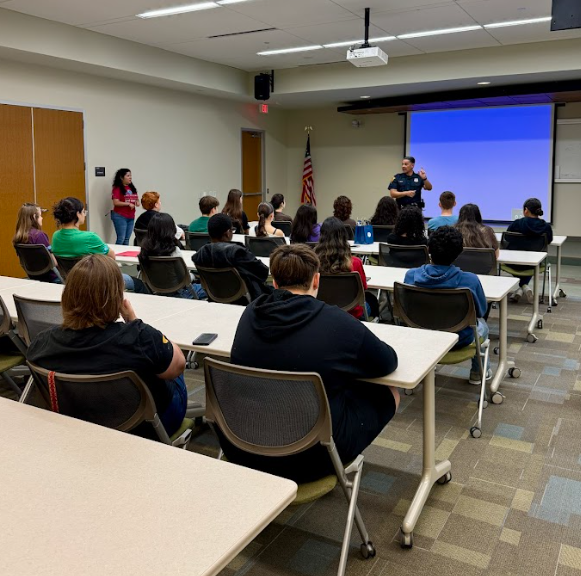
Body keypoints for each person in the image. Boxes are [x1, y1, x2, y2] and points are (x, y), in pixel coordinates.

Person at [224, 244, 399, 483]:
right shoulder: (336, 321)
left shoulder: (251, 313)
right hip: (313, 457)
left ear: (274, 282)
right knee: (389, 391)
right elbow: (386, 362)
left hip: (243, 443)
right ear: (316, 280)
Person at [26, 254, 188, 438]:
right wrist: (134, 322)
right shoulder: (139, 337)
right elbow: (178, 366)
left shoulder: (42, 343)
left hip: (76, 425)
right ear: (117, 298)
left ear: (69, 295)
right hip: (144, 429)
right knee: (170, 363)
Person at [404, 226, 490, 385]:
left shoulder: (411, 276)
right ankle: (478, 373)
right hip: (459, 339)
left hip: (422, 336)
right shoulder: (470, 281)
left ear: (428, 249)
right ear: (459, 252)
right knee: (483, 325)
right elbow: (481, 311)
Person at [51, 197, 148, 294]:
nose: (84, 215)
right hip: (95, 282)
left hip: (71, 282)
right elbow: (111, 257)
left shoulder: (56, 236)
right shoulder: (90, 237)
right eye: (84, 212)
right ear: (77, 214)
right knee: (140, 285)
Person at [192, 213, 271, 302]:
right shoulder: (237, 253)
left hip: (215, 299)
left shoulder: (200, 255)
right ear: (227, 233)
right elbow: (263, 272)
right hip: (245, 299)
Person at [139, 212, 206, 300]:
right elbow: (185, 279)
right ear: (171, 229)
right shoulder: (174, 251)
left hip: (157, 291)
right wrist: (193, 275)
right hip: (180, 293)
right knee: (210, 287)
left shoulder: (145, 251)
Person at [315, 217, 369, 319]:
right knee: (373, 302)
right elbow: (363, 290)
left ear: (321, 237)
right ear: (344, 238)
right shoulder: (355, 263)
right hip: (351, 315)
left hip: (323, 313)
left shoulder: (313, 263)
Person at [505, 198, 553, 303]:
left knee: (524, 257)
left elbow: (507, 238)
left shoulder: (516, 224)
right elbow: (548, 241)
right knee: (532, 258)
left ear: (526, 210)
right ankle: (524, 285)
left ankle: (521, 288)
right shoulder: (546, 227)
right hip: (534, 264)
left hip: (513, 263)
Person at [12, 202, 60, 283]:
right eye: (40, 215)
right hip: (53, 278)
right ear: (34, 217)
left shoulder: (18, 238)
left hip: (33, 277)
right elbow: (54, 263)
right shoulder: (39, 235)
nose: (42, 218)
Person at [111, 168, 140, 245]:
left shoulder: (132, 188)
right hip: (120, 216)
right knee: (121, 238)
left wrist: (137, 202)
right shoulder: (117, 188)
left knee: (127, 239)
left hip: (131, 216)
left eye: (130, 175)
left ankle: (124, 256)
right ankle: (116, 256)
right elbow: (116, 202)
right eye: (128, 176)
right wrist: (127, 204)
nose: (130, 177)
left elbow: (136, 198)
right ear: (121, 177)